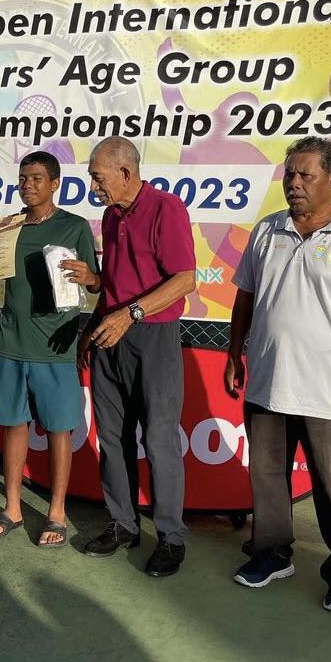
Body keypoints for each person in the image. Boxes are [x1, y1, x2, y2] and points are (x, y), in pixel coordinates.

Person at [225, 137, 331, 615]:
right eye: (289, 174)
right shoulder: (267, 230)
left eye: (306, 175)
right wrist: (235, 354)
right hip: (267, 383)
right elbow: (244, 297)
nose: (294, 184)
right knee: (267, 477)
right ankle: (272, 554)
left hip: (328, 390)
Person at [80, 135, 196, 577]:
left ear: (125, 173)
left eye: (98, 177)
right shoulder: (111, 216)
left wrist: (130, 315)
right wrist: (91, 330)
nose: (94, 186)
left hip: (154, 337)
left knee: (160, 438)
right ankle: (123, 524)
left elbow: (185, 279)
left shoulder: (167, 208)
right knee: (111, 436)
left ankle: (171, 537)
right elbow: (112, 282)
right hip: (110, 334)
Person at [0, 151, 100, 547]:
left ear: (55, 184)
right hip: (12, 342)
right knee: (14, 426)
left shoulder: (75, 226)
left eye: (37, 179)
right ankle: (12, 508)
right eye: (23, 178)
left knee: (60, 430)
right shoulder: (7, 227)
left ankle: (56, 513)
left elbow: (97, 283)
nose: (28, 185)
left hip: (56, 345)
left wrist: (89, 276)